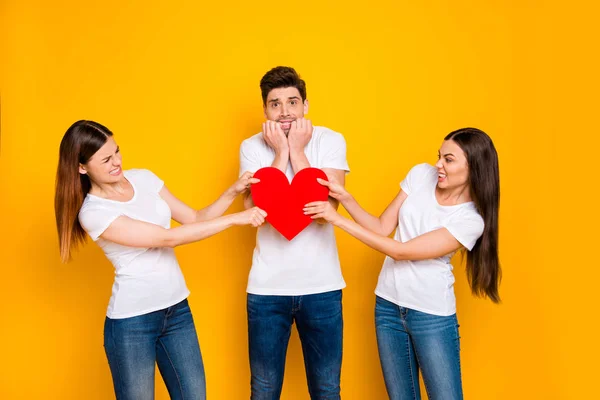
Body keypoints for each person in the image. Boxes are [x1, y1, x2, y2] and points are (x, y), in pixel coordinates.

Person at [54, 120, 266, 400]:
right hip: (132, 323)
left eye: (117, 151)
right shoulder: (93, 212)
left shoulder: (144, 179)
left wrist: (233, 192)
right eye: (105, 159)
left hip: (177, 311)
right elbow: (168, 238)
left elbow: (194, 218)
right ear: (82, 167)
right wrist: (236, 219)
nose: (116, 162)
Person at [304, 127, 501, 400]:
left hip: (431, 316)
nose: (438, 165)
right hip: (388, 307)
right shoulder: (421, 175)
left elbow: (401, 251)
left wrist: (337, 220)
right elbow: (382, 227)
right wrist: (344, 198)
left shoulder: (470, 221)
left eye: (449, 160)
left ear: (474, 168)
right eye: (439, 156)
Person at [238, 66, 350, 400]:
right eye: (275, 104)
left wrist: (298, 151)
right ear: (265, 110)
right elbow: (259, 213)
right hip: (267, 290)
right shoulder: (252, 146)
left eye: (292, 102)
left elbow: (325, 211)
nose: (285, 112)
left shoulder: (330, 140)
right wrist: (281, 153)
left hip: (323, 287)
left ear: (306, 106)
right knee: (264, 390)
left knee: (327, 390)